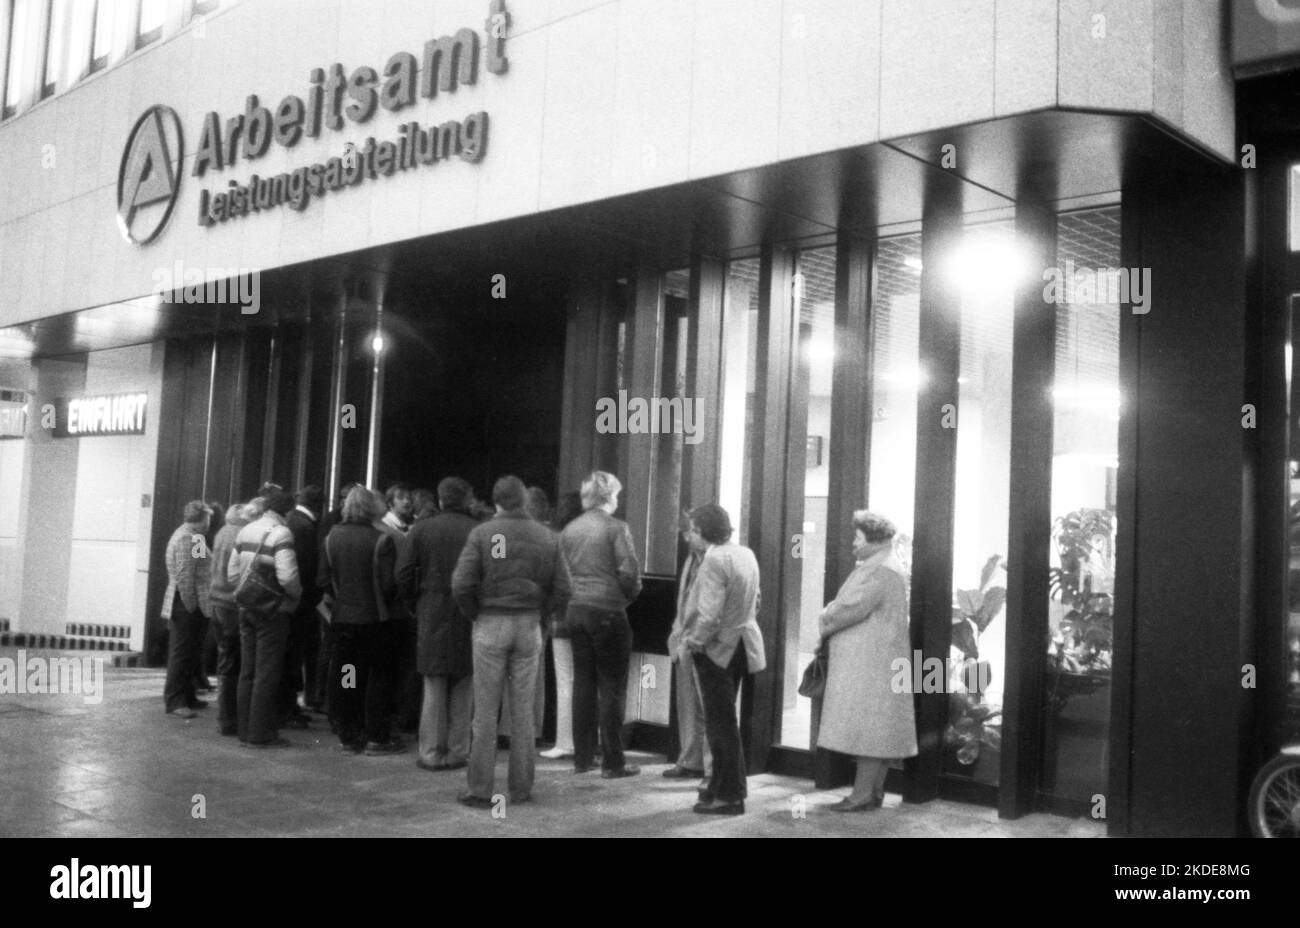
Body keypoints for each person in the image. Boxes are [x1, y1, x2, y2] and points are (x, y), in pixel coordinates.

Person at [452, 475, 570, 807]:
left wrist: (475, 612)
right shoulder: (547, 536)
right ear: (523, 500)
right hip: (529, 624)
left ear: (497, 501)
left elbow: (461, 584)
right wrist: (543, 615)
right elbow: (564, 587)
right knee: (523, 710)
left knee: (486, 711)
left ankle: (480, 788)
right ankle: (520, 788)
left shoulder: (482, 534)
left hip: (489, 622)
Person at [816, 511, 917, 811]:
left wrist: (825, 615)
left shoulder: (878, 571)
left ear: (874, 540)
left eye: (858, 538)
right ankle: (872, 791)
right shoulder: (887, 566)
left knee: (869, 728)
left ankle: (861, 795)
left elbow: (848, 608)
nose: (853, 544)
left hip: (869, 664)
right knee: (879, 728)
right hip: (878, 660)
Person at [681, 503, 765, 815]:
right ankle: (722, 788)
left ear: (702, 531)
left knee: (720, 726)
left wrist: (694, 640)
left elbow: (708, 613)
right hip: (744, 644)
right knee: (726, 723)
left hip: (717, 650)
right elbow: (757, 600)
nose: (688, 536)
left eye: (691, 530)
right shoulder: (746, 554)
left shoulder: (714, 560)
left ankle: (729, 796)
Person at [560, 471, 642, 778]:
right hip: (607, 610)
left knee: (583, 684)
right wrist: (628, 597)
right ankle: (613, 761)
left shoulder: (570, 529)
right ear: (609, 497)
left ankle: (583, 758)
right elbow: (629, 572)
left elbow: (562, 573)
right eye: (616, 495)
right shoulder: (616, 528)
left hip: (575, 610)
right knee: (612, 686)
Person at [398, 476, 478, 772]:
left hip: (431, 607)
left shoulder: (421, 529)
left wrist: (413, 604)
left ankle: (431, 751)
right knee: (463, 680)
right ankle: (458, 750)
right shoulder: (478, 530)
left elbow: (403, 573)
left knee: (433, 682)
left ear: (441, 499)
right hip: (469, 610)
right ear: (466, 499)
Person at [319, 486, 403, 755]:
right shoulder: (381, 540)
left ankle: (348, 733)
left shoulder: (332, 537)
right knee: (377, 678)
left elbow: (323, 580)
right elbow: (389, 584)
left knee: (348, 676)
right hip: (375, 619)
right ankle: (376, 735)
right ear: (372, 508)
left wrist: (341, 596)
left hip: (343, 619)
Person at [228, 488, 302, 747]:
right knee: (266, 673)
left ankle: (244, 730)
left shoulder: (246, 530)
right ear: (287, 511)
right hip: (273, 611)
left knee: (247, 671)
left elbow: (232, 573)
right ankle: (260, 734)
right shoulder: (281, 533)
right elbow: (288, 577)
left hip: (246, 608)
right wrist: (294, 598)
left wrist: (244, 593)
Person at [664, 511, 711, 781]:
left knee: (707, 707)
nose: (686, 538)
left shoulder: (720, 559)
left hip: (706, 641)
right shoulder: (692, 559)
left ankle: (708, 767)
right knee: (688, 704)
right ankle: (690, 760)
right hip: (686, 640)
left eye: (690, 532)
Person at [539, 490, 586, 760]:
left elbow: (552, 580)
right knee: (587, 678)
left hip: (561, 615)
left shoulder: (557, 538)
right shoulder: (588, 537)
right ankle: (588, 741)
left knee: (565, 679)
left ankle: (565, 740)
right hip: (590, 611)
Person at [162, 500, 213, 719]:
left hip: (197, 605)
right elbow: (185, 576)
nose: (210, 522)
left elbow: (204, 568)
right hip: (186, 605)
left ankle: (189, 696)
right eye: (208, 517)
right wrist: (192, 605)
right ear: (203, 518)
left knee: (191, 653)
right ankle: (175, 701)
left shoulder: (196, 537)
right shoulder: (186, 537)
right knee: (181, 654)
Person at [281, 485, 324, 728]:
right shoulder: (305, 527)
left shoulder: (291, 522)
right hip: (301, 604)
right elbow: (305, 570)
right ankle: (291, 706)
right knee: (294, 656)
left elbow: (209, 566)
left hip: (218, 601)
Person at [208, 502, 252, 734]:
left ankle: (225, 716)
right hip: (229, 603)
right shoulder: (239, 535)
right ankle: (228, 718)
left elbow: (207, 563)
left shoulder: (220, 533)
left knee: (225, 658)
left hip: (215, 599)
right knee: (232, 661)